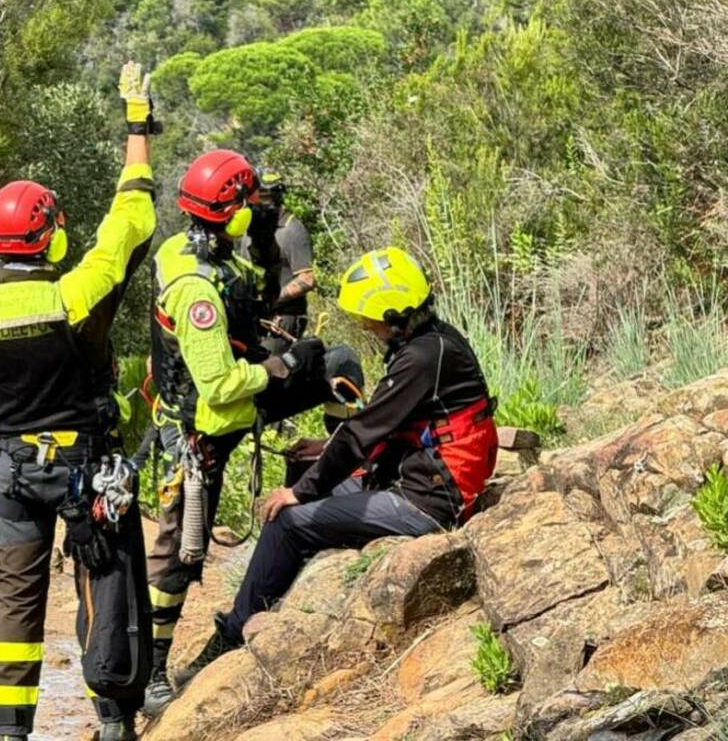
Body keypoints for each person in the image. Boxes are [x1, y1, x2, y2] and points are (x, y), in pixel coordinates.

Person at [178, 247, 499, 683]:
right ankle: (272, 604)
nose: (364, 325)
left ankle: (234, 635)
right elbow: (387, 422)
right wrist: (320, 451)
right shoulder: (431, 342)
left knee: (288, 518)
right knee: (302, 480)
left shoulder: (423, 357)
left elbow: (362, 432)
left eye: (368, 317)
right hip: (415, 476)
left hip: (427, 500)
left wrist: (300, 493)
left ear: (393, 312)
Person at [0, 61, 158, 741]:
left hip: (12, 476)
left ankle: (10, 732)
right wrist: (136, 121)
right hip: (84, 471)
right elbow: (132, 217)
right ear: (51, 238)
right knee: (104, 580)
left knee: (15, 607)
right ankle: (111, 717)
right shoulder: (76, 296)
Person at [143, 149, 327, 717]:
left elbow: (255, 288)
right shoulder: (198, 290)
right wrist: (275, 369)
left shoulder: (192, 251)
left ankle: (330, 484)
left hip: (217, 421)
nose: (257, 209)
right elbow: (220, 383)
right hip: (203, 430)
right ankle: (152, 672)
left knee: (332, 360)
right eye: (250, 204)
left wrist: (266, 235)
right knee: (180, 551)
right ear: (229, 212)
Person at [243, 170, 316, 355]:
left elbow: (307, 279)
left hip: (283, 319)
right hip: (254, 318)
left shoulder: (292, 229)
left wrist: (273, 298)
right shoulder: (248, 228)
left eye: (268, 197)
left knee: (272, 370)